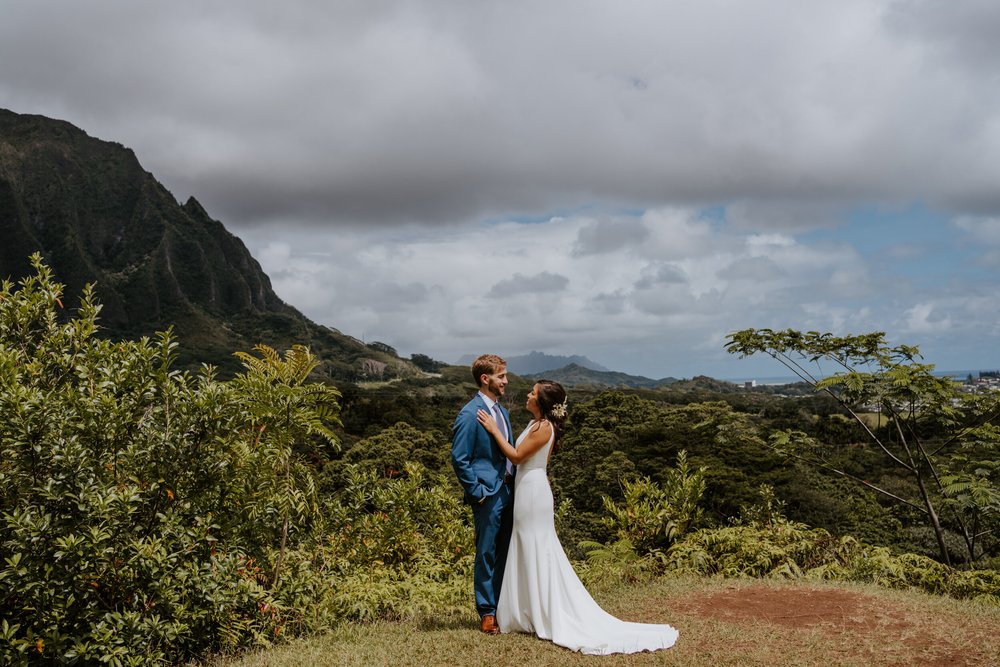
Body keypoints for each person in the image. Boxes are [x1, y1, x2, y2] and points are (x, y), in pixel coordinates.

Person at [476, 380, 679, 654]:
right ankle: (529, 610)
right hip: (527, 490)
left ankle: (541, 611)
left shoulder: (544, 427)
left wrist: (492, 429)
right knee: (526, 546)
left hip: (533, 494)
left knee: (537, 546)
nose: (527, 394)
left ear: (543, 403)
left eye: (532, 393)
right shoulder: (535, 424)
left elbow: (515, 455)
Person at [451, 354, 515, 634]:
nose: (506, 381)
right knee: (486, 553)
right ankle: (487, 612)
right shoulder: (469, 413)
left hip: (509, 491)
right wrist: (478, 492)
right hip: (487, 494)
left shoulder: (503, 412)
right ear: (485, 379)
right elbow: (459, 458)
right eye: (501, 376)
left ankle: (504, 606)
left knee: (505, 551)